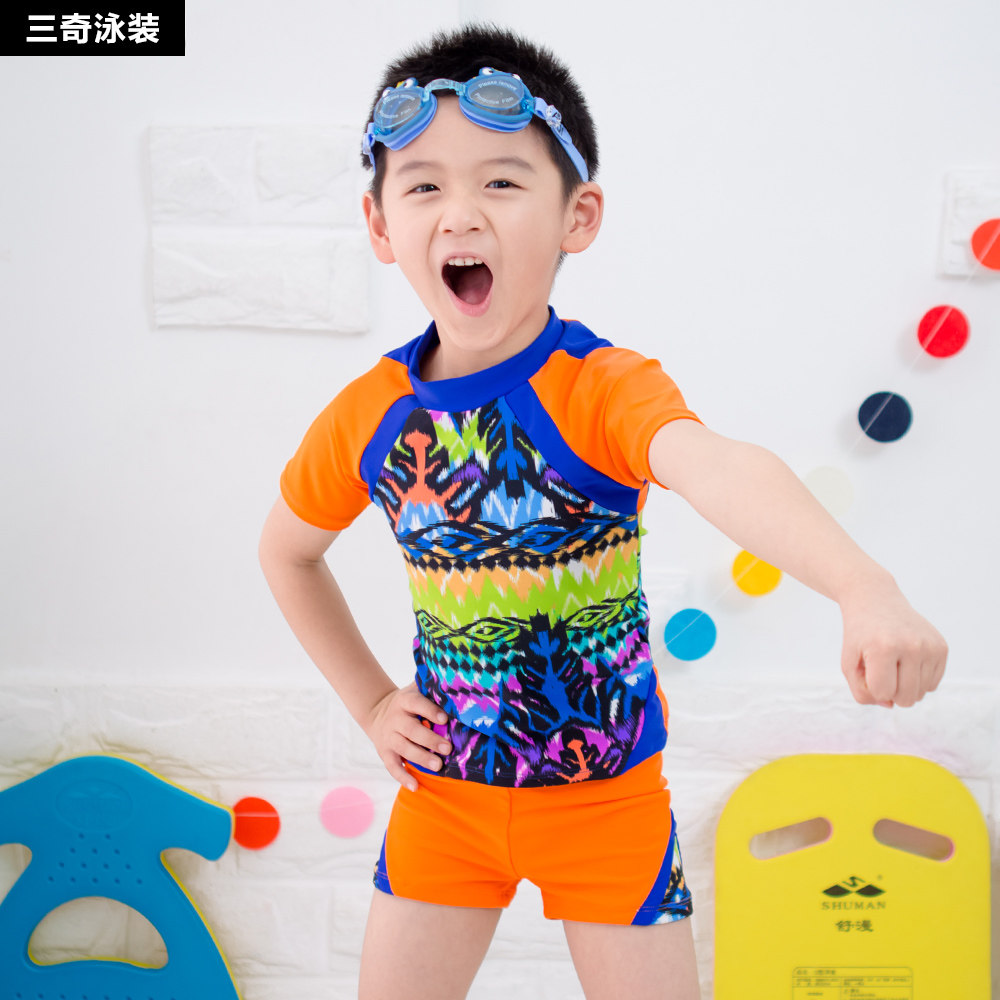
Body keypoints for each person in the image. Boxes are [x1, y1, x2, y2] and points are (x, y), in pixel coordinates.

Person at [258, 24, 947, 1000]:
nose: (461, 214)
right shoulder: (370, 415)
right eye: (423, 187)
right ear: (379, 226)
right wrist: (371, 702)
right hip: (444, 801)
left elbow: (720, 468)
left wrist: (862, 586)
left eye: (501, 181)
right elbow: (286, 552)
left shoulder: (604, 388)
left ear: (576, 216)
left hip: (608, 806)